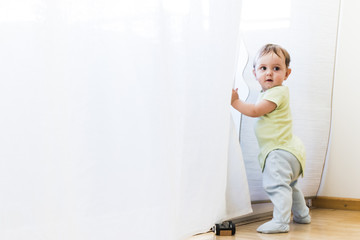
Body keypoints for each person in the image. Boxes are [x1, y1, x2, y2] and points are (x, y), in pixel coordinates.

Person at [231, 44, 311, 234]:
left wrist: (235, 102)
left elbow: (255, 111)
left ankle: (281, 221)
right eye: (263, 68)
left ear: (287, 73)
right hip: (292, 151)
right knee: (290, 185)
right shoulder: (271, 93)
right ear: (254, 72)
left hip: (279, 152)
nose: (269, 73)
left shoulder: (277, 92)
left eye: (276, 68)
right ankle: (302, 214)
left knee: (276, 186)